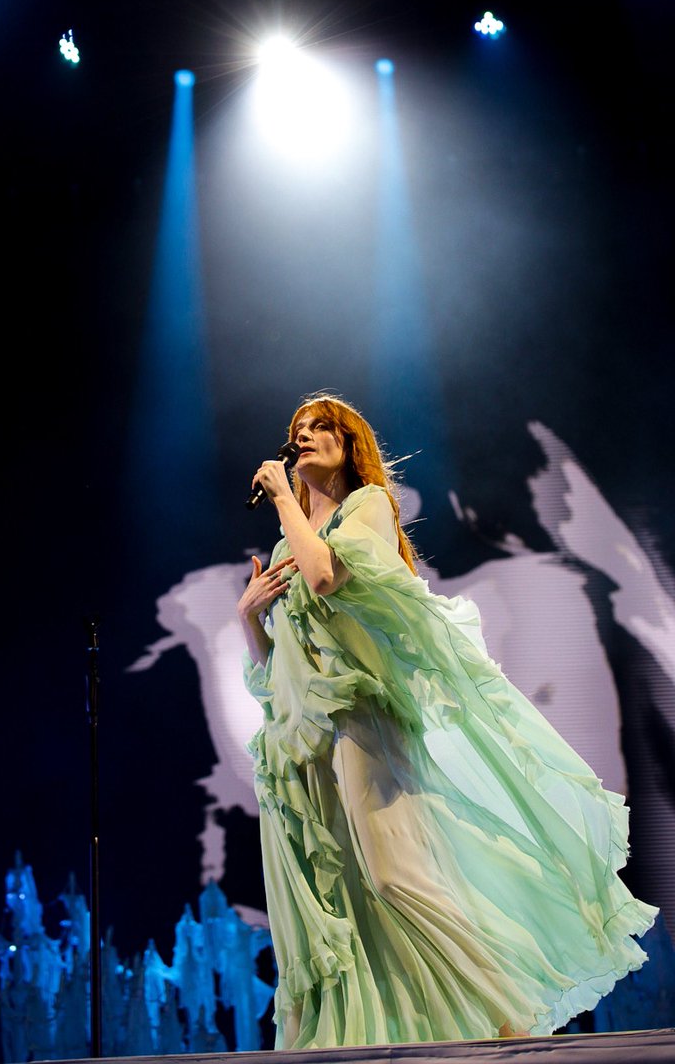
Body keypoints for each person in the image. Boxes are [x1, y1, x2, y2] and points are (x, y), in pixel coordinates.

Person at [237, 393, 658, 1050]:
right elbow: (279, 671)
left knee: (393, 875)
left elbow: (324, 581)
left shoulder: (364, 507)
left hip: (363, 718)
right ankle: (385, 1038)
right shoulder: (287, 539)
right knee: (346, 905)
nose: (308, 435)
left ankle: (507, 1016)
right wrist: (247, 620)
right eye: (299, 430)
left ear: (349, 445)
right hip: (306, 740)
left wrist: (286, 499)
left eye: (325, 427)